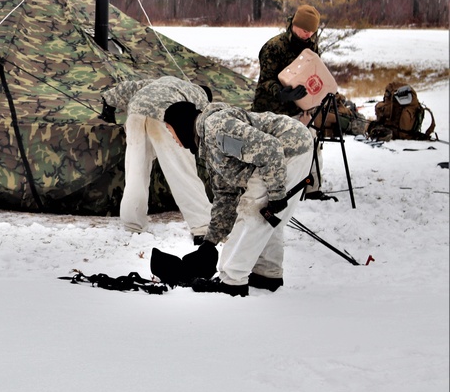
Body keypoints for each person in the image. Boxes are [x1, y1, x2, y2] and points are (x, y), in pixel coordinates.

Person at [162, 99, 315, 297]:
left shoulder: (216, 127)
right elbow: (225, 196)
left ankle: (231, 280)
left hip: (289, 148)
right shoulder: (209, 145)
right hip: (290, 148)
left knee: (253, 214)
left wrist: (276, 193)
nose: (172, 138)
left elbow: (270, 148)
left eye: (169, 129)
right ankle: (267, 274)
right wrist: (210, 242)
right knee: (267, 217)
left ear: (181, 124)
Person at [102, 76, 213, 244]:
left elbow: (127, 86)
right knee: (181, 171)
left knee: (136, 171)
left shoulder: (161, 81)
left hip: (136, 114)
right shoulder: (200, 95)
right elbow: (202, 125)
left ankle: (133, 224)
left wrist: (108, 105)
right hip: (167, 117)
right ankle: (202, 227)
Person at [252, 3, 325, 197]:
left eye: (311, 31)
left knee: (312, 142)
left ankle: (312, 189)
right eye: (304, 30)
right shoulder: (274, 47)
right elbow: (265, 81)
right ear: (294, 24)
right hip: (270, 110)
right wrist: (281, 92)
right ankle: (276, 191)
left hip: (299, 108)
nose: (307, 34)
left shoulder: (311, 46)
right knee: (277, 151)